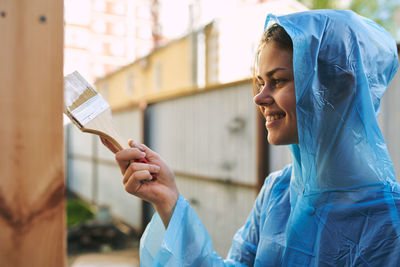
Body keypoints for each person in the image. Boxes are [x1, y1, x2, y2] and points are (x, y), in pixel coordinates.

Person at [101, 9, 400, 266]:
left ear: (341, 86)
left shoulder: (391, 223)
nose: (259, 98)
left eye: (278, 81)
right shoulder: (278, 192)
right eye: (260, 82)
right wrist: (167, 200)